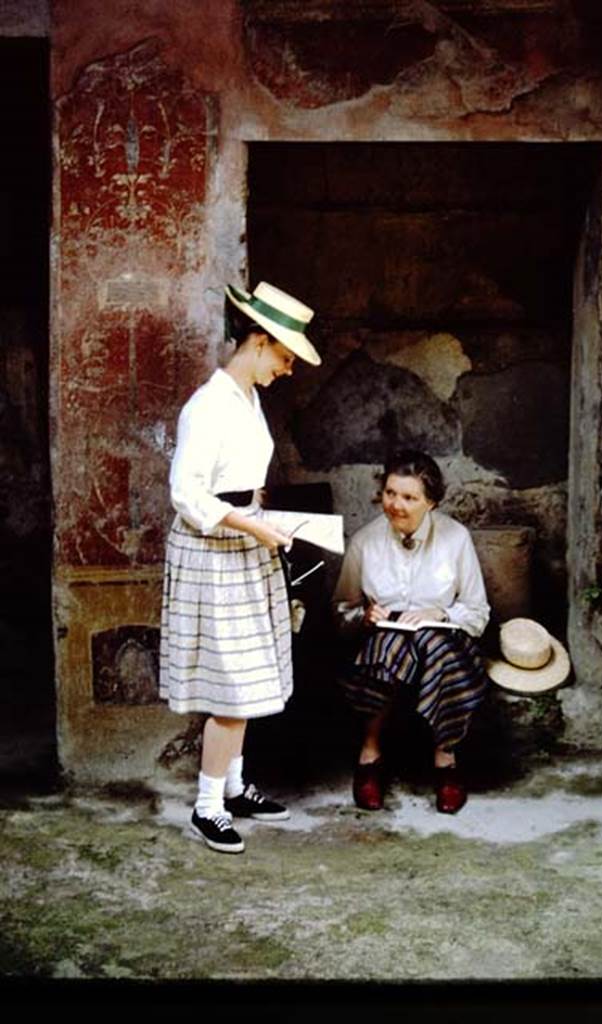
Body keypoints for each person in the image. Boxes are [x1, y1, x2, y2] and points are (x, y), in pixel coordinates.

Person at [159, 281, 321, 853]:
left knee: (250, 674)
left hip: (245, 540)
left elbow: (240, 484)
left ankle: (232, 784)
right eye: (284, 356)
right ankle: (208, 807)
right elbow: (187, 494)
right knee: (231, 685)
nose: (288, 368)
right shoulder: (207, 406)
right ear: (258, 341)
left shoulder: (248, 398)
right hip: (215, 550)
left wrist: (264, 520)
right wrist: (253, 525)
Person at [332, 449, 490, 815]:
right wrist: (365, 616)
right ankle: (369, 756)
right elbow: (340, 610)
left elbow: (478, 612)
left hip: (444, 637)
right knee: (387, 645)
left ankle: (445, 761)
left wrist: (440, 612)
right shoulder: (365, 541)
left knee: (435, 646)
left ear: (430, 502)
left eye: (409, 497)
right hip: (386, 639)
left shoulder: (455, 538)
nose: (396, 505)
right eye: (390, 493)